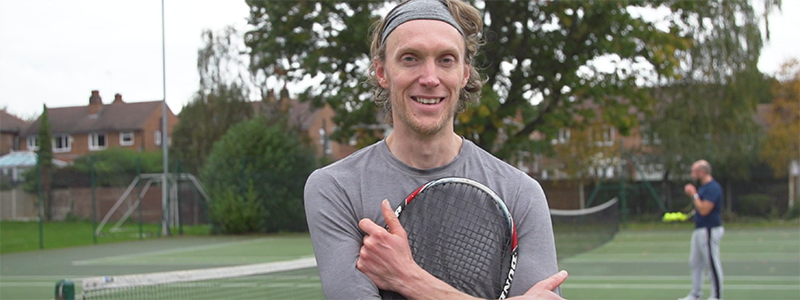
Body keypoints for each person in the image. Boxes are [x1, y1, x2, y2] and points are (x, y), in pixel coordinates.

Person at [303, 0, 566, 299]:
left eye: (446, 60)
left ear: (465, 73)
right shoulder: (336, 188)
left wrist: (411, 279)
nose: (430, 78)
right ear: (381, 71)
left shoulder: (520, 192)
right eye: (410, 58)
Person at [680, 160, 724, 300]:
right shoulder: (703, 188)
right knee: (695, 262)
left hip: (709, 230)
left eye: (694, 171)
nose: (692, 174)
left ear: (702, 172)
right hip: (699, 230)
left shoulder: (713, 188)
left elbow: (705, 209)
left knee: (711, 264)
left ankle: (716, 296)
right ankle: (696, 294)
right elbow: (699, 208)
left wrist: (693, 194)